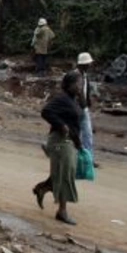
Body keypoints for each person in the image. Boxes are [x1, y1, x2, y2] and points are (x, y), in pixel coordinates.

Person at [33, 70, 83, 225]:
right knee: (65, 176)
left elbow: (74, 123)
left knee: (64, 173)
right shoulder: (62, 98)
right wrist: (60, 125)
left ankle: (42, 188)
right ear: (69, 85)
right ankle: (62, 211)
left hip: (69, 141)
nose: (80, 86)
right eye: (77, 83)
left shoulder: (73, 100)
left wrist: (79, 144)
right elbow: (46, 111)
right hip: (60, 141)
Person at [76, 52, 98, 166]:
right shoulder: (76, 76)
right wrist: (84, 105)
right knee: (76, 134)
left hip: (82, 109)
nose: (90, 65)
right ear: (83, 64)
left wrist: (87, 103)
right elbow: (78, 92)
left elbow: (86, 90)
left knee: (87, 135)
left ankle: (88, 159)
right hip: (76, 109)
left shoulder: (84, 75)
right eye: (88, 63)